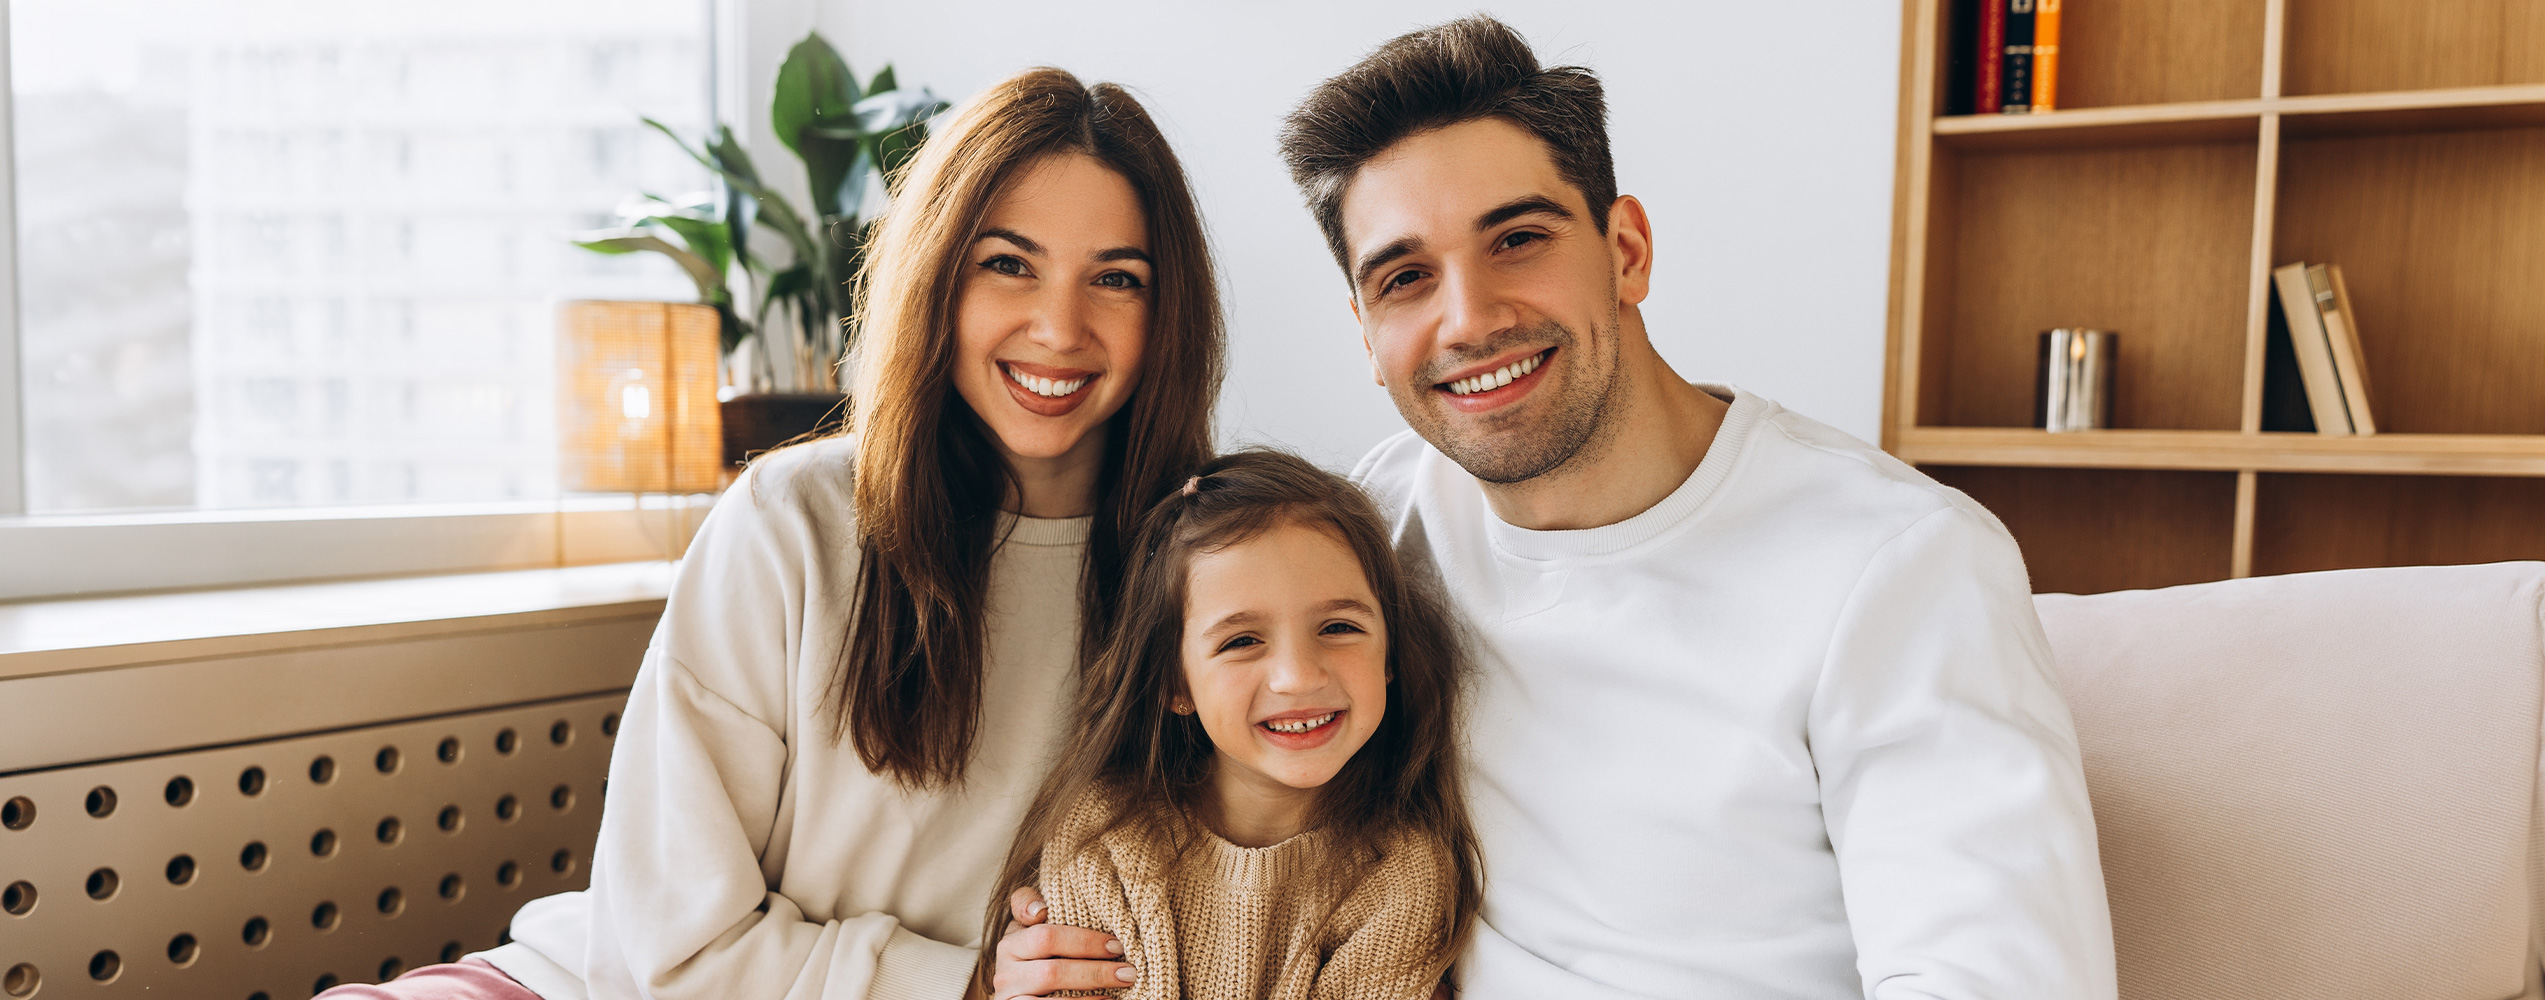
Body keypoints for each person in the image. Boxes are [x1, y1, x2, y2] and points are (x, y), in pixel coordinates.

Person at [322, 67, 1224, 1000]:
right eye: (1008, 264)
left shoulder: (1211, 564)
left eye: (1116, 279)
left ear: (1168, 316)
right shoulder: (790, 518)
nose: (1058, 327)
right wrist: (964, 985)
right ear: (938, 278)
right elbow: (664, 941)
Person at [1269, 15, 2117, 1000]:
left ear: (1625, 249)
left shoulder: (1897, 561)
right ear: (1367, 338)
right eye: (1406, 278)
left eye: (1516, 239)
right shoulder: (1362, 538)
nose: (1468, 318)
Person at [975, 450, 1480, 1000]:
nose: (1296, 677)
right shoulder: (1104, 838)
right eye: (1242, 641)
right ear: (1174, 683)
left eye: (1338, 627)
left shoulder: (1401, 876)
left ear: (1391, 653)